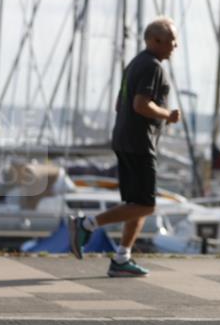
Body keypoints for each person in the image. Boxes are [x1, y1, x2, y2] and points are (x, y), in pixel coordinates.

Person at [68, 17, 181, 277]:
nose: (175, 45)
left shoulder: (134, 64)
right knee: (147, 206)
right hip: (139, 143)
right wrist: (168, 115)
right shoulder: (153, 66)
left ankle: (121, 258)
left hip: (126, 139)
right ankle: (86, 224)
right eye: (171, 40)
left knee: (136, 202)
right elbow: (140, 105)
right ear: (155, 40)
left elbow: (120, 105)